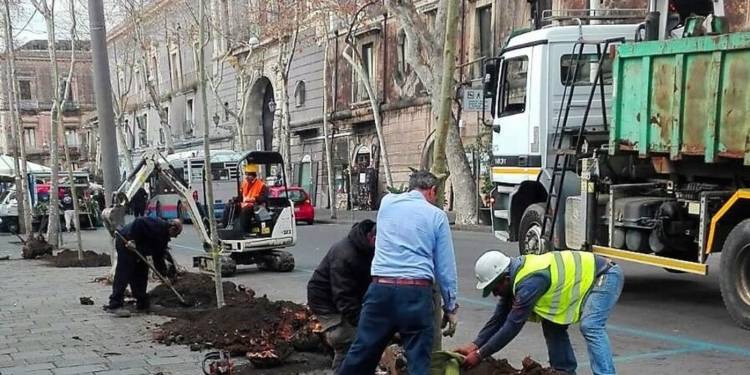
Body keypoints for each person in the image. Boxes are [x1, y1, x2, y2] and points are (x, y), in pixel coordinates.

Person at [337, 170, 459, 375]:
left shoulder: (387, 203)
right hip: (415, 294)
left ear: (410, 187)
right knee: (419, 361)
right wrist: (451, 306)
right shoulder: (437, 216)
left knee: (361, 355)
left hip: (380, 290)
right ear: (433, 191)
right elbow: (445, 267)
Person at [454, 250, 624, 375]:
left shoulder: (530, 282)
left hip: (605, 275)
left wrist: (480, 354)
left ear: (505, 280)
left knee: (591, 325)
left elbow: (512, 326)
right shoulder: (514, 277)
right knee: (552, 323)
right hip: (591, 277)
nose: (494, 293)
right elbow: (499, 317)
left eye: (495, 288)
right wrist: (474, 344)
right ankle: (563, 372)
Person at [306, 219, 377, 374]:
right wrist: (361, 322)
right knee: (347, 340)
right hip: (325, 301)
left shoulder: (367, 249)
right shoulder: (345, 255)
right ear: (373, 238)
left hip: (346, 296)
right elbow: (344, 297)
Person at [104, 217, 183, 317]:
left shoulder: (163, 238)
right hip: (126, 241)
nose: (176, 237)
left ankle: (142, 303)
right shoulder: (157, 225)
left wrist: (164, 275)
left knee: (141, 272)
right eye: (177, 234)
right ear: (172, 228)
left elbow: (158, 257)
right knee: (124, 272)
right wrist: (131, 239)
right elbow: (138, 222)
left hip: (139, 248)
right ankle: (115, 304)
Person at [220, 164, 269, 230]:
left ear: (253, 175)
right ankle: (224, 224)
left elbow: (264, 197)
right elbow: (241, 196)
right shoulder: (245, 184)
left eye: (248, 175)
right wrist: (235, 199)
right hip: (244, 204)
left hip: (254, 205)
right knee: (229, 206)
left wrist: (255, 199)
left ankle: (243, 229)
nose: (246, 177)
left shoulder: (261, 185)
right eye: (246, 175)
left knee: (245, 211)